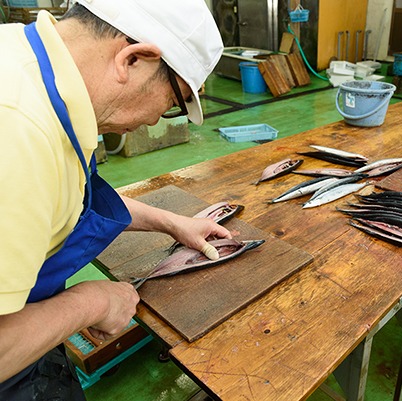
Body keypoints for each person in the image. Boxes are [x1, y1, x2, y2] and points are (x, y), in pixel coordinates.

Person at [0, 0, 230, 398]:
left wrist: (175, 223)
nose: (157, 119)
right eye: (171, 104)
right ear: (133, 59)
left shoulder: (38, 72)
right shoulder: (18, 133)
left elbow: (71, 198)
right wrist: (90, 303)